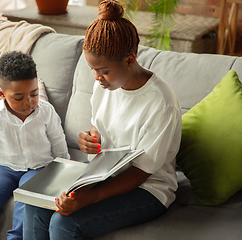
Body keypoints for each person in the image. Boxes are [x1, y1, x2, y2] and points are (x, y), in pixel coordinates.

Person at [23, 0, 182, 239]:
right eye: (93, 70)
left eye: (104, 70)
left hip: (147, 188)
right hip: (102, 173)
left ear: (130, 60)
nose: (97, 78)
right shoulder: (105, 85)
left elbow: (141, 172)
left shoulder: (161, 103)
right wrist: (90, 138)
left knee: (64, 223)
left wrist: (90, 198)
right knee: (37, 204)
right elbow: (100, 127)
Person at [0, 51, 70, 240]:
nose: (28, 102)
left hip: (39, 167)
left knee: (26, 199)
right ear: (2, 94)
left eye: (34, 94)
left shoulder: (46, 111)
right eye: (18, 97)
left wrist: (64, 170)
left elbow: (58, 140)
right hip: (5, 167)